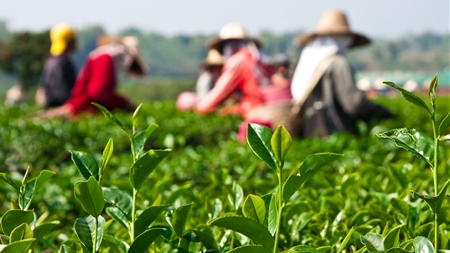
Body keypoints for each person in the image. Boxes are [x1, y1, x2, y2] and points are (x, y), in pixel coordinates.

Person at [289, 9, 393, 138]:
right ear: (344, 38)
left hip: (311, 133)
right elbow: (354, 104)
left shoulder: (309, 65)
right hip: (335, 133)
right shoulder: (339, 64)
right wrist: (385, 113)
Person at [38, 35, 148, 118]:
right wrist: (125, 104)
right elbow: (99, 92)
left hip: (77, 105)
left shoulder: (101, 55)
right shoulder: (106, 58)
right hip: (82, 108)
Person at [195, 22, 272, 117]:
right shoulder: (256, 58)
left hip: (258, 112)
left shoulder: (238, 61)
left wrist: (199, 109)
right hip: (272, 108)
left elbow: (216, 96)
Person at [39, 23, 77, 107]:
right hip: (60, 108)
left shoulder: (51, 61)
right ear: (70, 42)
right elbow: (62, 94)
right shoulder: (62, 63)